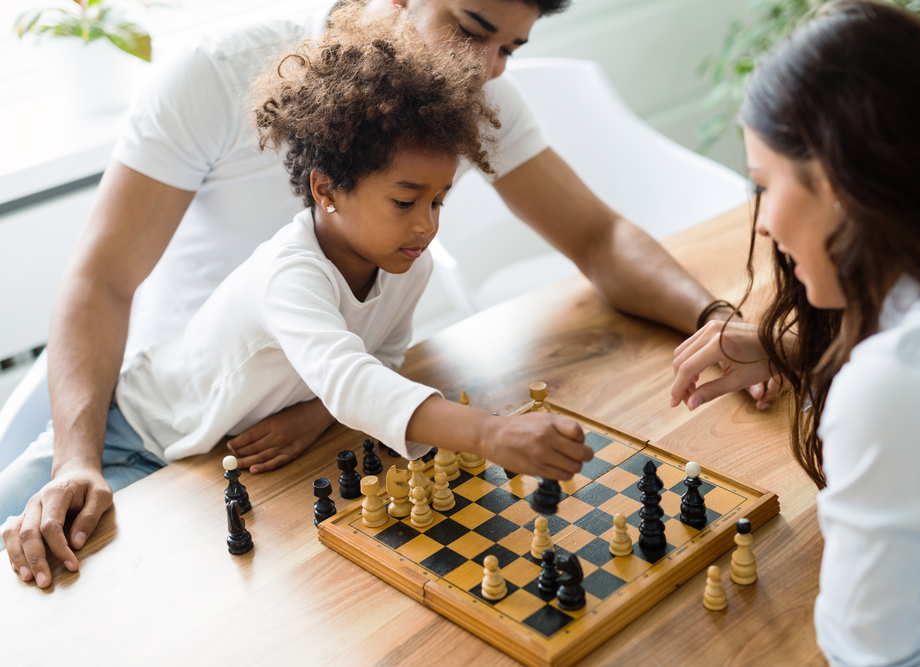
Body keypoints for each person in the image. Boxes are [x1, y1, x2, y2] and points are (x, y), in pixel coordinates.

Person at [0, 0, 761, 584]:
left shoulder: (460, 112)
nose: (492, 69)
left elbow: (598, 238)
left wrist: (720, 321)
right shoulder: (217, 73)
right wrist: (78, 458)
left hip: (278, 452)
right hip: (143, 426)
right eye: (472, 28)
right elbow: (100, 280)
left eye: (511, 48)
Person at [668, 2, 920, 665]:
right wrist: (793, 346)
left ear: (842, 180)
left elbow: (874, 656)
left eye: (765, 184)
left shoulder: (900, 385)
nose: (761, 224)